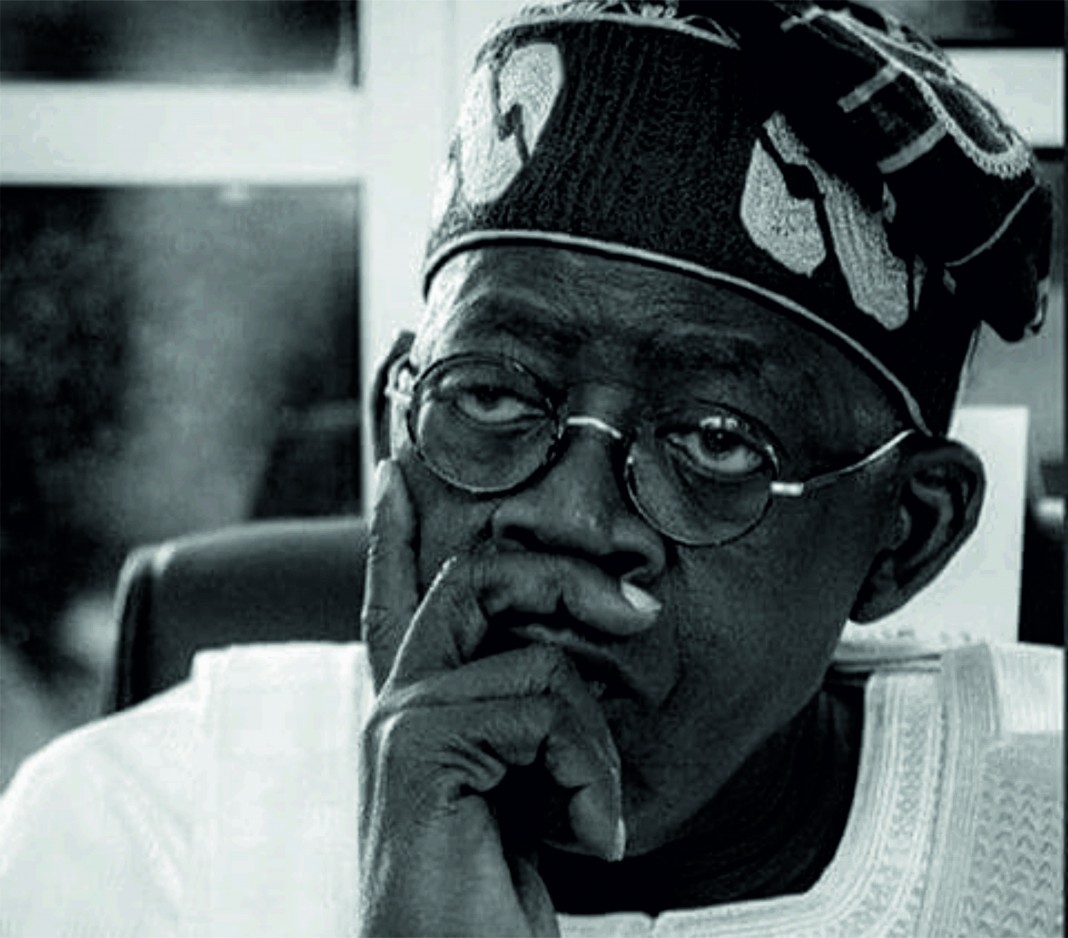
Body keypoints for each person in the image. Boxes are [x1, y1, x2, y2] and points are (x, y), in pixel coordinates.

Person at [1, 1, 1062, 935]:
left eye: (716, 439)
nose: (569, 514)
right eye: (491, 398)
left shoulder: (1040, 826)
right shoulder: (136, 837)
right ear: (391, 433)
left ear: (905, 533)